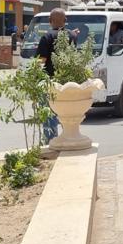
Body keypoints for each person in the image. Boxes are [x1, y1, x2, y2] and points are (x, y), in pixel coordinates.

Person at [35, 8, 72, 143]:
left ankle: (51, 143)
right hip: (67, 83)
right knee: (67, 116)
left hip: (50, 83)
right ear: (65, 21)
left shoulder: (46, 37)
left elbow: (41, 61)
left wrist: (35, 78)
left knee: (49, 116)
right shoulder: (72, 36)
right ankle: (68, 140)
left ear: (49, 21)